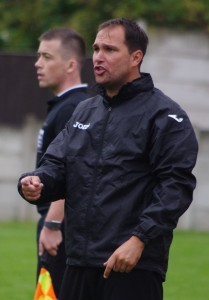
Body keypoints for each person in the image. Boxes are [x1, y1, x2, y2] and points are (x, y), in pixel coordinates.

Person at [18, 18, 198, 300]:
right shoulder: (84, 111)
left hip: (132, 267)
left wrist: (140, 240)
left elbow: (175, 187)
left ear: (136, 57)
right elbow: (57, 166)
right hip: (78, 263)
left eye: (110, 50)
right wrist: (36, 182)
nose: (99, 57)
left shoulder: (164, 116)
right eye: (96, 48)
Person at [33, 27, 90, 297]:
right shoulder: (67, 105)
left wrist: (53, 224)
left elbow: (71, 169)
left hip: (62, 227)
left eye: (46, 56)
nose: (38, 63)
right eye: (38, 56)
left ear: (71, 64)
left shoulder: (73, 108)